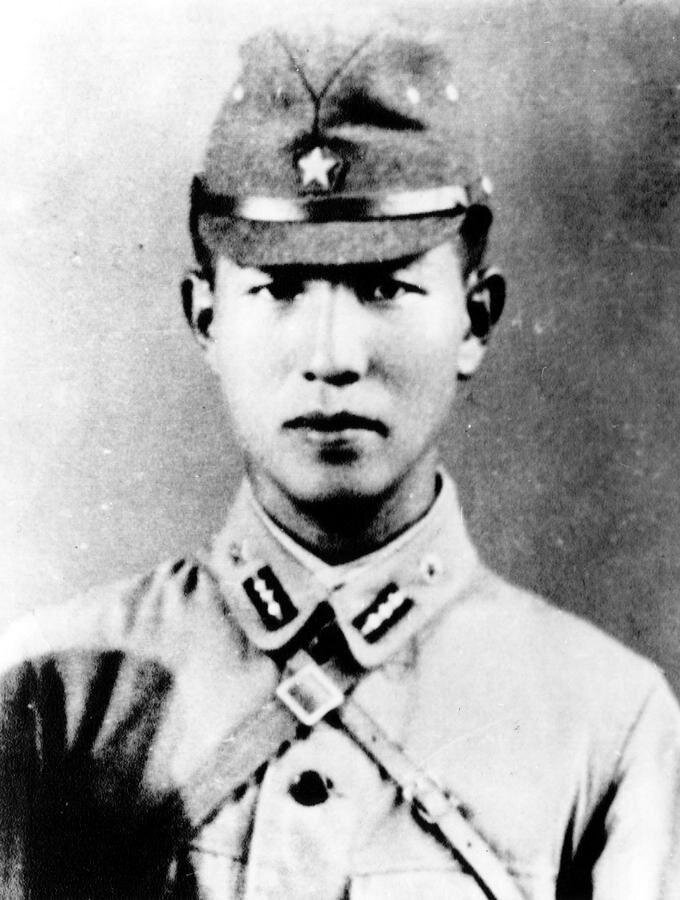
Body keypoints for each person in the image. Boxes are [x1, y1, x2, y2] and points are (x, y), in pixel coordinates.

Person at [1, 24, 679, 900]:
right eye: (279, 288)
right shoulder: (50, 692)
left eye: (384, 286)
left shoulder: (610, 725)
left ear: (475, 318)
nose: (331, 356)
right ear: (206, 318)